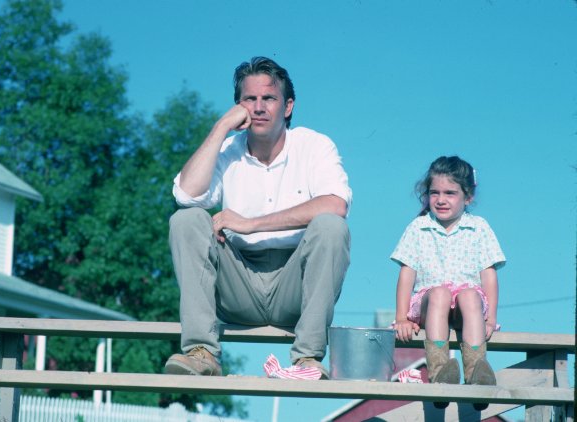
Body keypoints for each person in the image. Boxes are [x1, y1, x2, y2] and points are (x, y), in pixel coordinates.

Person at [164, 57, 352, 379]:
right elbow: (185, 195)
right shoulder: (227, 149)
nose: (259, 107)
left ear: (288, 106)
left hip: (295, 288)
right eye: (249, 99)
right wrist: (220, 127)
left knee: (331, 226)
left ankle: (307, 358)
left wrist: (251, 224)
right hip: (238, 287)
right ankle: (202, 352)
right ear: (238, 107)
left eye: (269, 98)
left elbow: (336, 205)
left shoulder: (314, 145)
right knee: (186, 219)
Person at [391, 156, 505, 410]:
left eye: (450, 193)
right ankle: (440, 373)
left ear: (468, 197)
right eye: (435, 193)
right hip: (430, 305)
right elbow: (407, 274)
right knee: (440, 293)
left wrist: (490, 318)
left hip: (468, 310)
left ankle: (476, 376)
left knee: (469, 294)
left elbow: (489, 275)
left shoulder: (479, 227)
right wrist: (401, 317)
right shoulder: (419, 227)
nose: (441, 200)